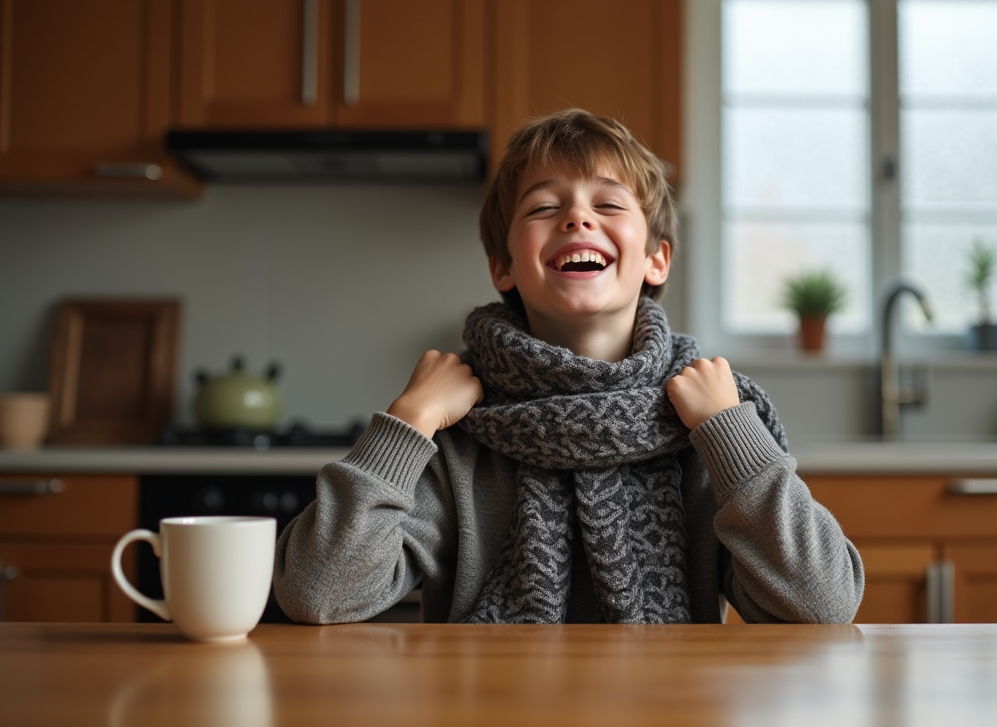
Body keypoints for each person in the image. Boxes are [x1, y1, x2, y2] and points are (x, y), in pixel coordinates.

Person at [273, 109, 864, 624]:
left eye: (607, 203)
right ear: (502, 267)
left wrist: (732, 437)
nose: (578, 219)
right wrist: (407, 421)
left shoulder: (718, 415)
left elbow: (821, 605)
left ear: (657, 259)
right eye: (545, 206)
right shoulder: (453, 423)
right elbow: (317, 594)